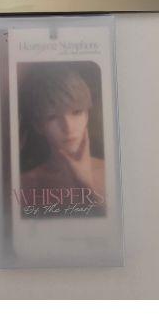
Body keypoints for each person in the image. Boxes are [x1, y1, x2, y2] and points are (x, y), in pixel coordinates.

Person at [18, 64, 106, 210]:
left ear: (87, 115)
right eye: (52, 117)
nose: (68, 127)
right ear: (39, 125)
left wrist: (86, 185)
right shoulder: (25, 183)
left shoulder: (109, 171)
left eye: (76, 112)